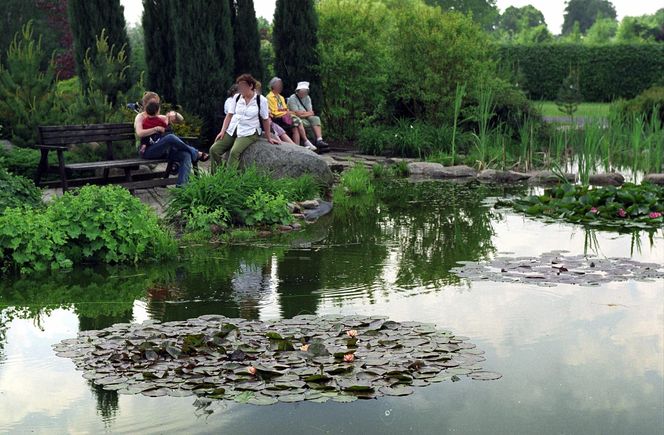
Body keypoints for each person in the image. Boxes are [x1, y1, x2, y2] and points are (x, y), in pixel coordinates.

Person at [134, 91, 208, 186]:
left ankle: (182, 189)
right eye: (154, 103)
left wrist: (175, 114)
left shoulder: (159, 117)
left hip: (165, 152)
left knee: (186, 155)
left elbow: (181, 120)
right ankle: (195, 152)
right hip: (148, 151)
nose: (157, 105)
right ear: (146, 104)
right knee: (170, 138)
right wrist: (156, 129)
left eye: (157, 103)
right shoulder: (140, 117)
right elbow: (140, 133)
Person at [209, 74, 278, 171]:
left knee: (234, 152)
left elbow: (265, 119)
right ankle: (217, 175)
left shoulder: (261, 100)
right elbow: (229, 115)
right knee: (214, 149)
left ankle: (229, 178)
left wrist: (268, 137)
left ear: (251, 86)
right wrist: (222, 131)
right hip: (233, 129)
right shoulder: (237, 97)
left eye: (243, 86)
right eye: (239, 86)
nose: (240, 89)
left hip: (249, 131)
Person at [267, 77, 317, 151]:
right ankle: (305, 141)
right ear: (273, 86)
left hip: (284, 116)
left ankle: (297, 148)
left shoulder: (280, 97)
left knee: (295, 128)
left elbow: (285, 109)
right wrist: (289, 112)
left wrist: (292, 112)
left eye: (281, 85)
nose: (281, 87)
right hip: (278, 118)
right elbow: (275, 111)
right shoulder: (269, 97)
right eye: (279, 85)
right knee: (297, 120)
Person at [287, 81, 330, 151]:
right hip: (296, 118)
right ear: (297, 91)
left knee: (316, 118)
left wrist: (305, 113)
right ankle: (309, 143)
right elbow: (297, 114)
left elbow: (311, 112)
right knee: (301, 122)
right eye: (302, 92)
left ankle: (319, 140)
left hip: (306, 117)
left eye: (305, 92)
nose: (303, 93)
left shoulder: (307, 98)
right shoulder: (293, 98)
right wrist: (306, 113)